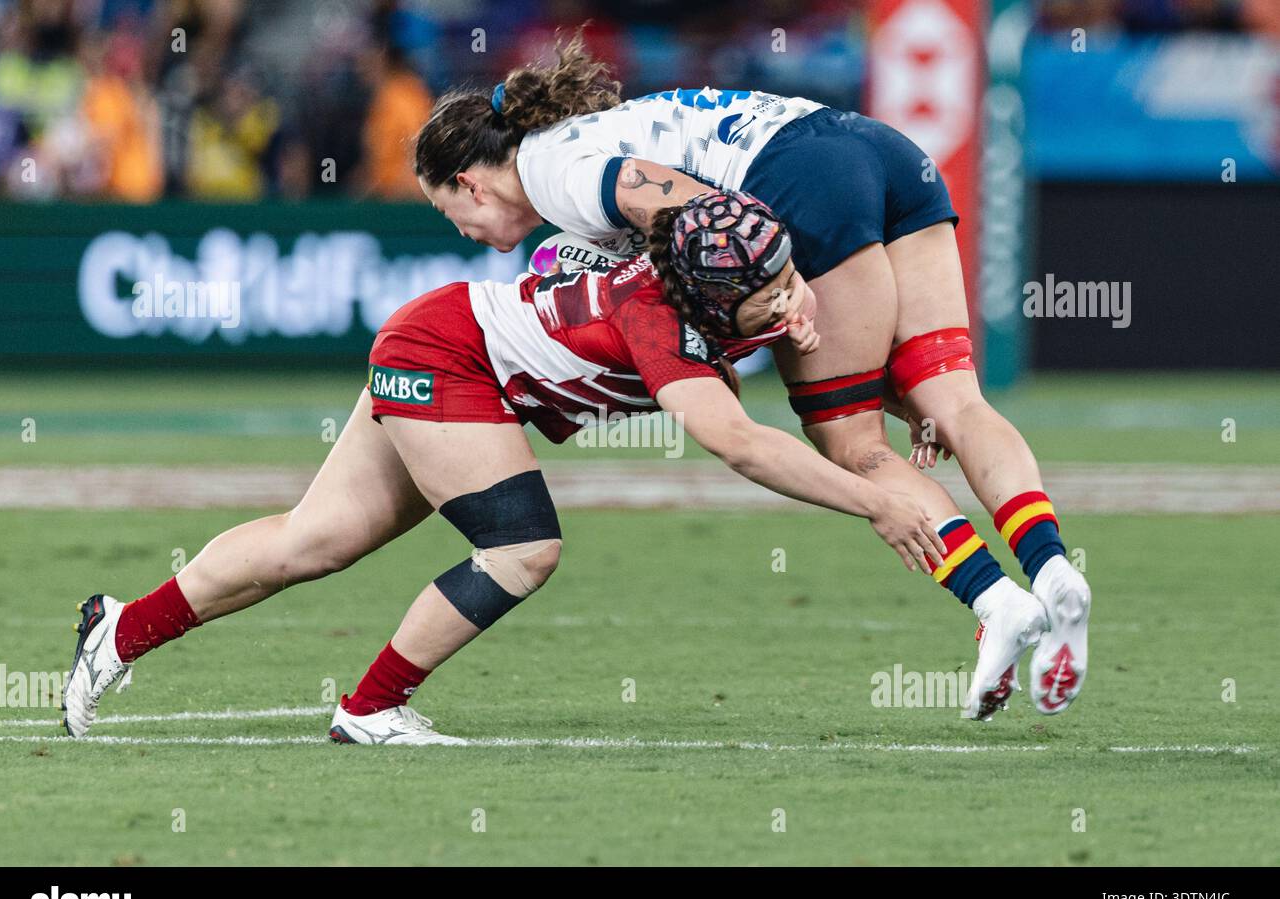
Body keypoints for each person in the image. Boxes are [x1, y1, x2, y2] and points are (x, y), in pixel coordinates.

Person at [62, 191, 944, 745]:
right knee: (522, 548)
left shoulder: (717, 280)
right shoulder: (660, 318)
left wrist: (907, 407)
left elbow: (768, 362)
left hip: (446, 338)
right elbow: (739, 440)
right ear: (711, 302)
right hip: (448, 359)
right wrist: (873, 502)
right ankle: (370, 709)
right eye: (773, 291)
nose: (794, 294)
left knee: (312, 541)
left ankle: (119, 628)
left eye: (789, 275)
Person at [411, 33, 1090, 719]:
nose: (461, 230)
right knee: (953, 401)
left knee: (854, 445)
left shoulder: (555, 175)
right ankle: (1052, 566)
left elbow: (709, 217)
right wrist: (896, 387)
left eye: (447, 210)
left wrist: (786, 286)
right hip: (880, 152)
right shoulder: (572, 155)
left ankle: (995, 600)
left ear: (469, 183)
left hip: (800, 183)